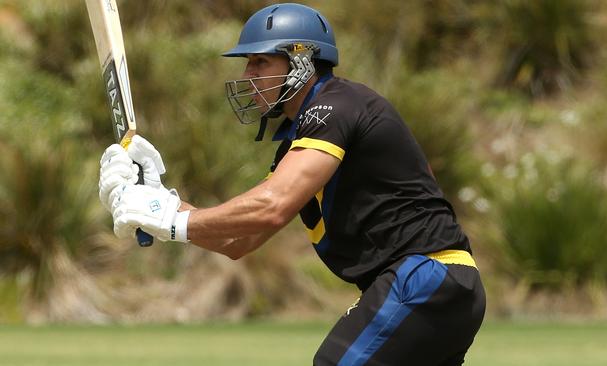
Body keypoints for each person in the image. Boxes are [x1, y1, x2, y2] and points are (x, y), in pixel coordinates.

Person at [99, 3, 485, 365]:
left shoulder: (335, 105)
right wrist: (159, 198)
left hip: (424, 279)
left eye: (260, 62)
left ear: (302, 60)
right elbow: (239, 241)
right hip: (441, 286)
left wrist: (165, 218)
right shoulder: (300, 143)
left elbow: (271, 207)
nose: (248, 76)